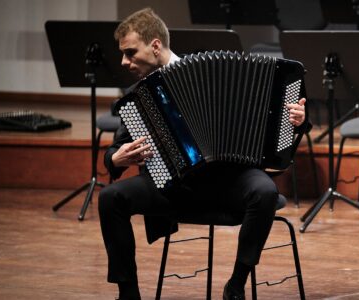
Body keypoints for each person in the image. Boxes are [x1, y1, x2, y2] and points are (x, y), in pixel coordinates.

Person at [98, 7, 308, 300]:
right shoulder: (138, 95)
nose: (124, 61)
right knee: (110, 198)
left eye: (130, 52)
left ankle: (236, 283)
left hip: (227, 180)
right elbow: (114, 150)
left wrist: (295, 121)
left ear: (155, 45)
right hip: (174, 187)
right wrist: (115, 159)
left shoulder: (217, 74)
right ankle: (128, 293)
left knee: (264, 191)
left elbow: (271, 123)